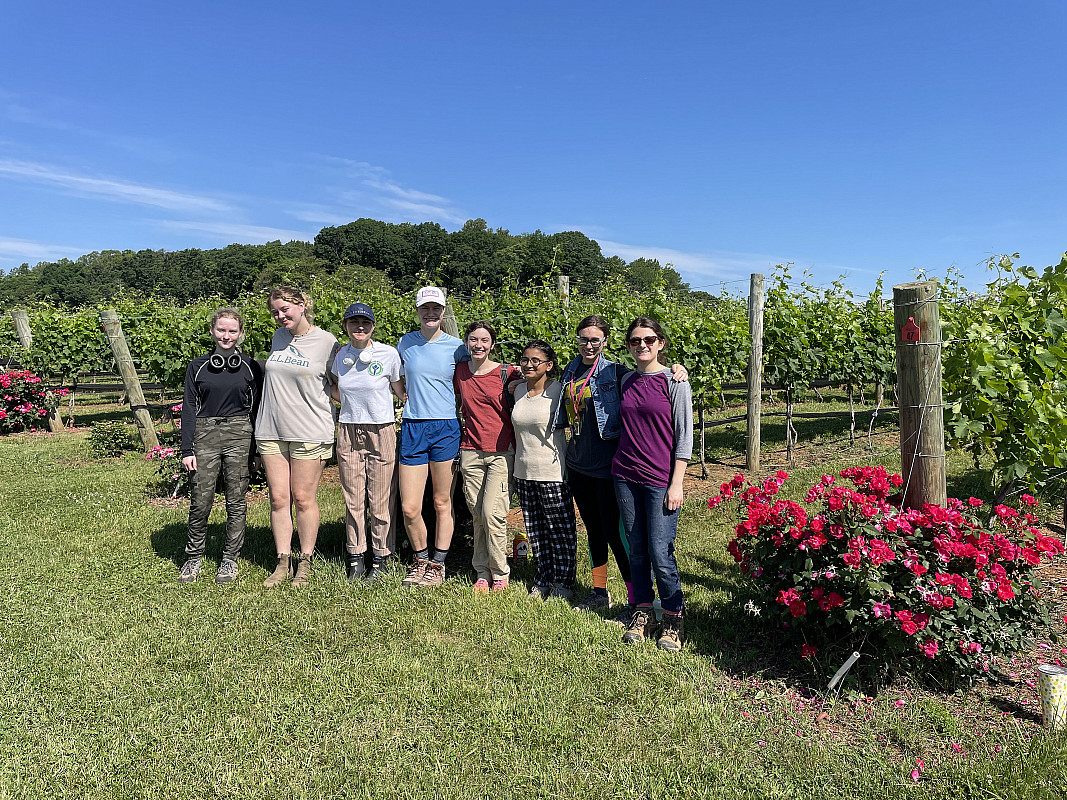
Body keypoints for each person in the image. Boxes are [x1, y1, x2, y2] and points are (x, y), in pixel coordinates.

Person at [556, 315, 687, 612]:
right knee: (593, 530)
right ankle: (599, 589)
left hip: (609, 466)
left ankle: (635, 597)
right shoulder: (571, 370)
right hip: (579, 464)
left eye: (595, 339)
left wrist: (678, 368)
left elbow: (651, 377)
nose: (588, 344)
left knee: (620, 534)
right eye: (583, 338)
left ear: (605, 342)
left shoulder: (617, 373)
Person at [612, 317, 693, 652]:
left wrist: (678, 483)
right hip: (626, 475)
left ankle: (673, 614)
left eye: (648, 339)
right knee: (638, 548)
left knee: (661, 551)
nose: (641, 345)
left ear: (660, 342)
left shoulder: (676, 382)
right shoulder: (626, 380)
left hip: (660, 479)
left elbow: (684, 436)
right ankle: (643, 609)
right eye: (635, 340)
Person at [255, 286, 339, 588]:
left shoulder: (327, 342)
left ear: (302, 305)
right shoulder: (279, 338)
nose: (280, 316)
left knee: (303, 498)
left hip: (310, 431)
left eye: (285, 310)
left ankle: (305, 561)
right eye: (275, 312)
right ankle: (282, 561)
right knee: (278, 499)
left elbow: (338, 386)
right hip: (271, 429)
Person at [177, 308, 263, 584]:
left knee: (236, 499)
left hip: (240, 432)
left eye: (232, 331)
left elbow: (259, 408)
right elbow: (189, 407)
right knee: (200, 500)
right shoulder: (197, 366)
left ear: (240, 334)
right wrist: (187, 449)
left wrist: (257, 450)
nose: (226, 336)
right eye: (221, 330)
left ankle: (229, 559)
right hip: (205, 433)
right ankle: (193, 557)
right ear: (212, 331)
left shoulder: (251, 366)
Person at [396, 286, 468, 588]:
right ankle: (420, 559)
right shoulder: (404, 343)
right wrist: (401, 395)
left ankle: (437, 565)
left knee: (442, 502)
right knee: (410, 506)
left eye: (436, 308)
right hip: (412, 426)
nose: (430, 313)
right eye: (425, 308)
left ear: (443, 311)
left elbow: (472, 379)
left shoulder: (457, 346)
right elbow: (393, 376)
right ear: (417, 310)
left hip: (445, 427)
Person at [330, 302, 406, 584]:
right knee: (353, 497)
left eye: (365, 323)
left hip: (381, 428)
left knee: (381, 497)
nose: (359, 327)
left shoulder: (388, 354)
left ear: (373, 326)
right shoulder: (341, 356)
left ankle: (382, 556)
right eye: (353, 323)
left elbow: (400, 391)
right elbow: (336, 389)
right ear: (346, 326)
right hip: (349, 428)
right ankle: (356, 555)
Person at [453, 321, 522, 593]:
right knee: (478, 514)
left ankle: (500, 573)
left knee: (493, 514)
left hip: (501, 453)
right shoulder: (460, 372)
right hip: (470, 451)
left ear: (492, 344)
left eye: (484, 340)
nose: (478, 345)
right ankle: (481, 571)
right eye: (473, 339)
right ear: (467, 343)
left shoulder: (508, 372)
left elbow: (538, 379)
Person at [511, 340, 576, 599]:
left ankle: (563, 582)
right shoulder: (517, 391)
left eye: (535, 360)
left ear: (549, 366)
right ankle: (542, 579)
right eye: (525, 359)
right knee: (536, 530)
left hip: (552, 472)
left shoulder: (559, 391)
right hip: (523, 472)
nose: (528, 364)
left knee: (560, 531)